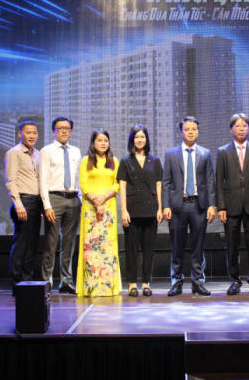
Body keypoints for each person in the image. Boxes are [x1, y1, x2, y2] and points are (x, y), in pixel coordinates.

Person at [162, 116, 216, 296]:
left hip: (199, 205)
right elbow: (166, 182)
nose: (190, 132)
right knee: (177, 246)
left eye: (193, 129)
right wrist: (166, 205)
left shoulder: (205, 153)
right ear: (181, 132)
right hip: (178, 206)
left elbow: (210, 181)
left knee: (198, 246)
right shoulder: (171, 154)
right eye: (187, 129)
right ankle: (176, 282)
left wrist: (212, 205)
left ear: (198, 131)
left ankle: (198, 282)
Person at [216, 113, 249, 296]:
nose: (241, 129)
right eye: (237, 126)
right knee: (232, 246)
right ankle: (234, 280)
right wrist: (221, 207)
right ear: (231, 129)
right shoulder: (223, 151)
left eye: (244, 126)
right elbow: (219, 181)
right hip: (231, 206)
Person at [118, 125, 163, 297]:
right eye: (136, 137)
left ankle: (145, 283)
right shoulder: (125, 161)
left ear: (147, 139)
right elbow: (122, 186)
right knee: (131, 250)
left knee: (148, 249)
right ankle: (131, 284)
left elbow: (158, 185)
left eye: (142, 136)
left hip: (150, 210)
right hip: (132, 211)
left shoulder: (155, 161)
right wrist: (124, 210)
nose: (140, 139)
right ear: (132, 140)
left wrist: (159, 208)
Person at [76, 129, 122, 297]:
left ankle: (108, 287)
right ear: (93, 143)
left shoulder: (114, 161)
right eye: (99, 140)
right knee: (91, 247)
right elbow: (83, 184)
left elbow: (117, 184)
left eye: (105, 140)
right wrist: (96, 200)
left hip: (108, 207)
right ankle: (91, 286)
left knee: (107, 246)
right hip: (90, 209)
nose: (103, 143)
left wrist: (103, 198)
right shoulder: (86, 160)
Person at [39, 117, 82, 294]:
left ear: (71, 131)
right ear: (53, 131)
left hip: (73, 199)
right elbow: (42, 179)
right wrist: (46, 205)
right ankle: (46, 280)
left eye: (67, 128)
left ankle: (66, 280)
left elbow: (79, 178)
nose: (64, 131)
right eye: (60, 128)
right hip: (54, 198)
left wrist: (80, 198)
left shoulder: (76, 151)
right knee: (51, 242)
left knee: (69, 243)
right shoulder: (46, 151)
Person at [5, 120, 42, 294]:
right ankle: (17, 284)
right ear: (20, 134)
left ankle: (27, 283)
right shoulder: (14, 153)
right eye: (28, 132)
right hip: (23, 202)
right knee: (21, 246)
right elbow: (10, 181)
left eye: (34, 132)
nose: (32, 136)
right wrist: (18, 204)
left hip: (35, 203)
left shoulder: (38, 154)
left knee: (31, 246)